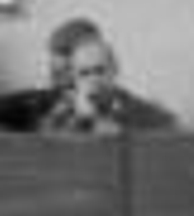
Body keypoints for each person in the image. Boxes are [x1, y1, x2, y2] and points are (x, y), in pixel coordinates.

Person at [42, 36, 178, 133]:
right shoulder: (61, 114)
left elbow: (171, 129)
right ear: (74, 79)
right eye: (84, 73)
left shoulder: (140, 110)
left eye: (100, 71)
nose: (93, 79)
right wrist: (79, 121)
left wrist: (99, 121)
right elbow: (47, 148)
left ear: (114, 70)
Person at [0, 17, 103, 132]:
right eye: (54, 55)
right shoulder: (40, 101)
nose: (56, 64)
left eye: (66, 53)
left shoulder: (108, 106)